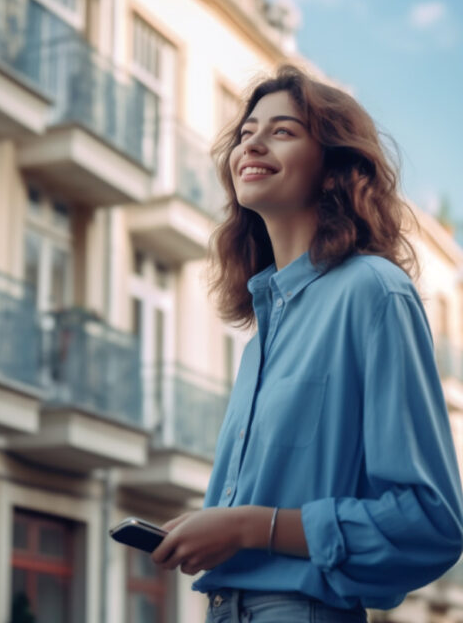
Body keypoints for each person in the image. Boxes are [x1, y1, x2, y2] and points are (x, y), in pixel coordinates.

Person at [151, 64, 463, 622]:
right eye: (246, 132)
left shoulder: (375, 291)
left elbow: (431, 522)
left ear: (332, 171)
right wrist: (213, 529)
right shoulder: (261, 335)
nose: (254, 142)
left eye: (283, 131)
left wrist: (249, 525)